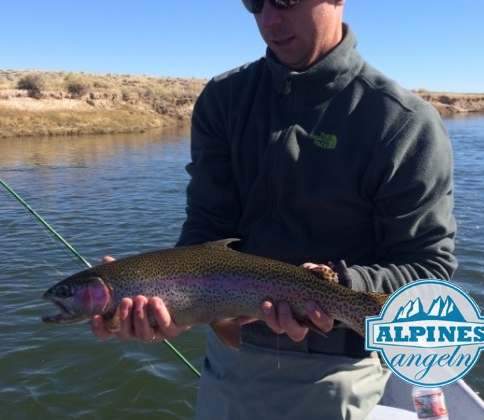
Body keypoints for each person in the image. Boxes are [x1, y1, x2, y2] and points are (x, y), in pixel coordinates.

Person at [92, 0, 457, 418]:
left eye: (286, 0)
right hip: (229, 363)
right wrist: (175, 311)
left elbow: (428, 270)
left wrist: (337, 287)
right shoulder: (224, 99)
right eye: (254, 2)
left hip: (336, 372)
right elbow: (208, 226)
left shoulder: (404, 122)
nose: (269, 20)